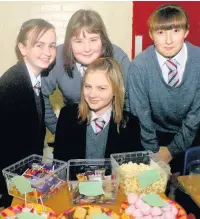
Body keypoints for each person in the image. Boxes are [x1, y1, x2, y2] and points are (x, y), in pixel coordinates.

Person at [127, 4, 200, 173]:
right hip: (152, 134)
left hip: (192, 132)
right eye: (161, 32)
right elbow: (142, 115)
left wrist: (172, 151)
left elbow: (195, 115)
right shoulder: (139, 66)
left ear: (186, 31)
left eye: (175, 31)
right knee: (151, 189)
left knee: (189, 193)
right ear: (151, 34)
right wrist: (155, 152)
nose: (168, 40)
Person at [41, 9, 131, 135]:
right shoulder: (58, 57)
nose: (87, 49)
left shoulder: (118, 57)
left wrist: (123, 131)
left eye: (93, 40)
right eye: (78, 41)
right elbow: (40, 94)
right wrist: (58, 130)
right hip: (75, 124)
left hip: (112, 127)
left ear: (103, 41)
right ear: (69, 43)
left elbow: (131, 98)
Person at [0, 18, 56, 207]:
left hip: (23, 176)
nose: (47, 52)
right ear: (23, 49)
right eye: (39, 45)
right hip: (11, 180)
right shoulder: (11, 85)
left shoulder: (32, 79)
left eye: (52, 45)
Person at [54, 58, 142, 161]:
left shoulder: (130, 124)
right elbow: (60, 162)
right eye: (88, 86)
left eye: (101, 88)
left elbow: (131, 169)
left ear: (115, 90)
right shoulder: (67, 116)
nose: (92, 94)